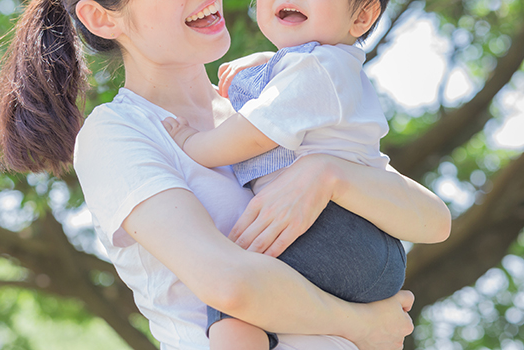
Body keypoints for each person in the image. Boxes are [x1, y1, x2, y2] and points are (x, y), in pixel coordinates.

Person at [0, 0, 452, 350]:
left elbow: (433, 222)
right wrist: (363, 325)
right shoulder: (119, 133)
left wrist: (327, 173)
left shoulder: (264, 106)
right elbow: (230, 284)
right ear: (103, 18)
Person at [163, 0, 414, 349]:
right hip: (363, 239)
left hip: (338, 231)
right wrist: (266, 62)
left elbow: (254, 132)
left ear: (362, 16)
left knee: (237, 293)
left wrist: (193, 143)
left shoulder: (318, 69)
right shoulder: (328, 65)